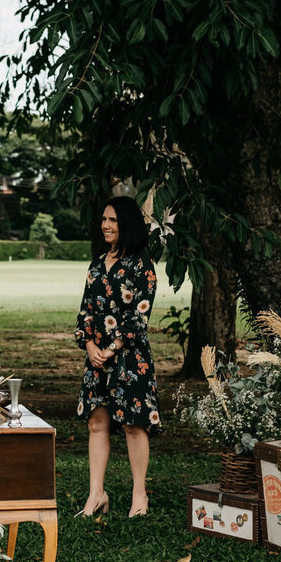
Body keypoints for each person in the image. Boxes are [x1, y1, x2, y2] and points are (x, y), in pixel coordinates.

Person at [74, 196, 161, 518]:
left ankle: (140, 495)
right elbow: (85, 311)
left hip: (130, 359)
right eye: (103, 220)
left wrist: (111, 349)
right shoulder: (97, 264)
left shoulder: (142, 265)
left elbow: (140, 316)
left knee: (133, 426)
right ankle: (96, 494)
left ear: (126, 223)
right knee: (97, 423)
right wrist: (90, 347)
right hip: (97, 357)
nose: (106, 225)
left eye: (112, 220)